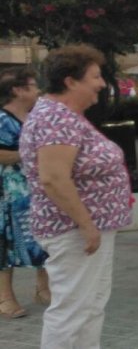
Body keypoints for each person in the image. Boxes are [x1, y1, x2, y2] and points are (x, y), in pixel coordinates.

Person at [20, 45, 132, 348]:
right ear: (71, 81)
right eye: (95, 77)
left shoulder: (65, 116)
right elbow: (53, 179)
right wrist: (86, 224)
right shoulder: (55, 118)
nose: (101, 84)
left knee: (90, 306)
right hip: (74, 232)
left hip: (85, 232)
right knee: (72, 311)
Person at [0, 67, 48, 319]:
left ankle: (43, 288)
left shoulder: (34, 116)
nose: (38, 90)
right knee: (6, 244)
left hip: (35, 191)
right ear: (17, 90)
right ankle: (4, 297)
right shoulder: (2, 119)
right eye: (32, 85)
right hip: (8, 193)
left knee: (43, 239)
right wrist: (28, 152)